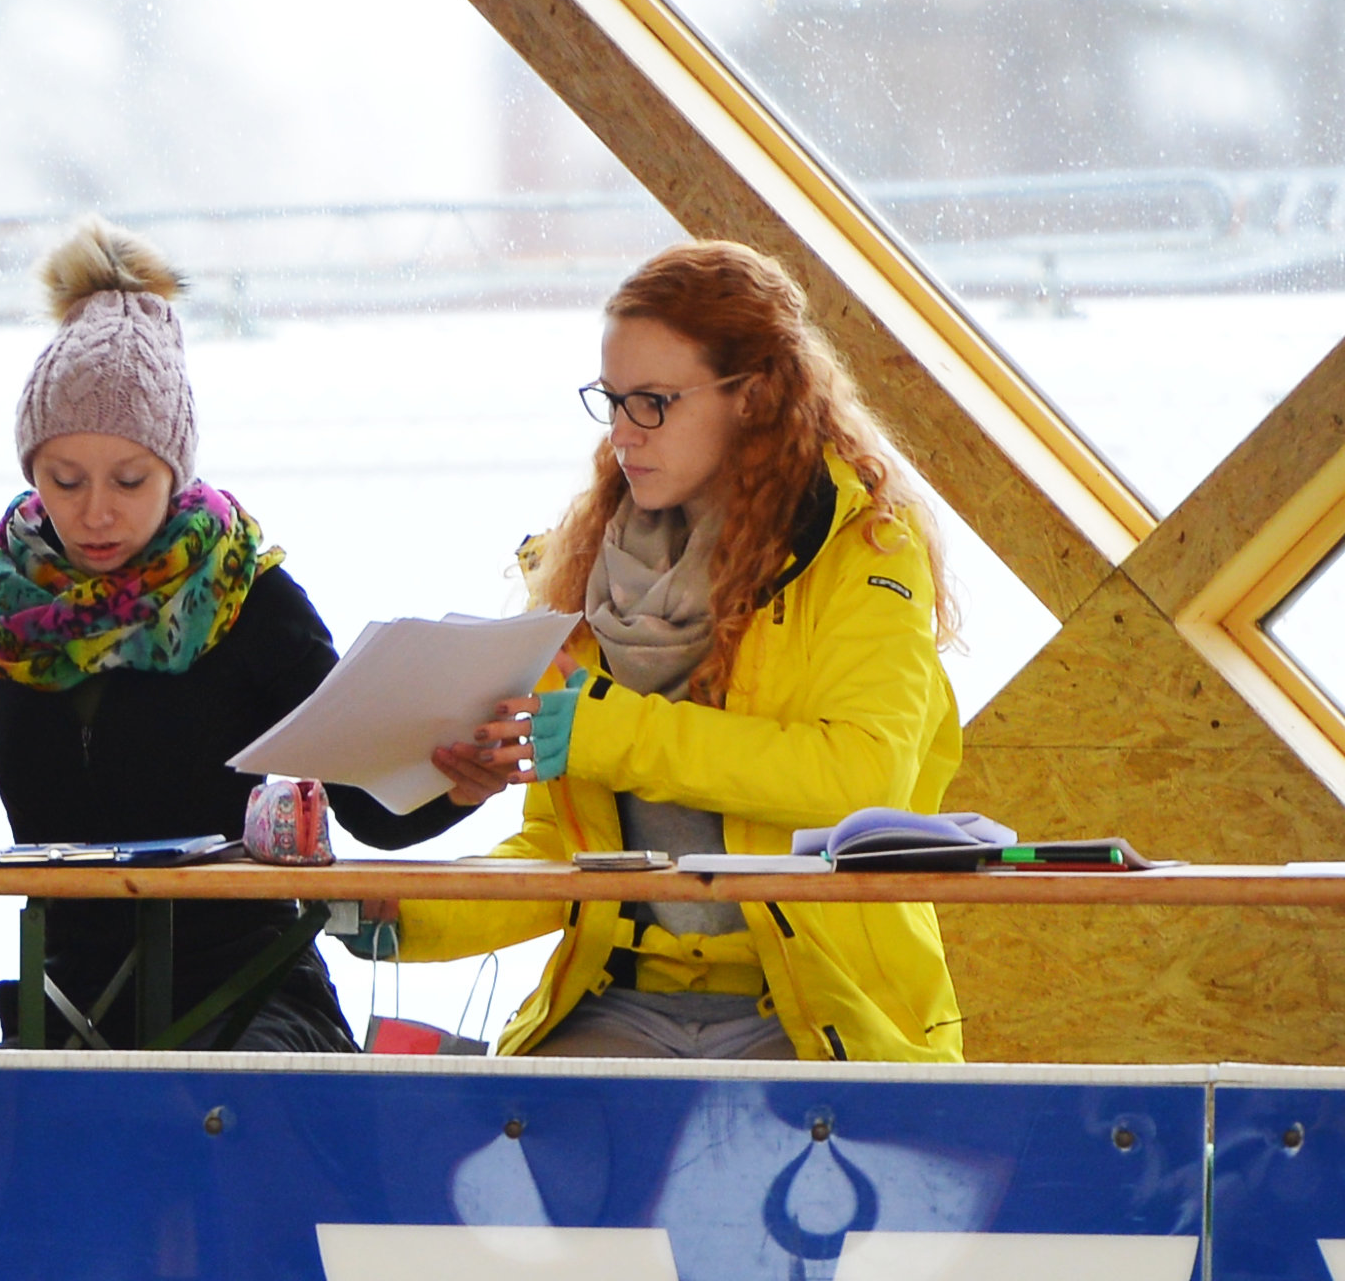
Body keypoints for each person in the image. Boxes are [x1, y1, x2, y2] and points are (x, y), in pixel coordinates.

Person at [384, 239, 970, 1061]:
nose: (623, 435)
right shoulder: (582, 571)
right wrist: (401, 914)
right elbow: (565, 852)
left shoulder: (865, 550)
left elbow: (861, 776)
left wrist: (610, 733)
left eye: (654, 403)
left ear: (753, 397)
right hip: (620, 1001)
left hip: (815, 1007)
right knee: (516, 1133)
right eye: (612, 401)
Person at [0, 221, 445, 1049]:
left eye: (129, 480)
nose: (95, 512)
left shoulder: (251, 599)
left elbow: (371, 807)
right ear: (30, 471)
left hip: (254, 1003)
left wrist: (461, 779)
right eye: (64, 480)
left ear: (176, 470)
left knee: (214, 1104)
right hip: (68, 1013)